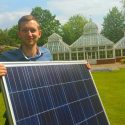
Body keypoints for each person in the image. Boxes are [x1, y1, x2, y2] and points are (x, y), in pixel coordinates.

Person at [0, 15, 52, 125]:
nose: (29, 34)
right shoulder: (4, 59)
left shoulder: (47, 55)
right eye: (24, 30)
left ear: (39, 33)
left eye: (33, 30)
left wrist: (82, 71)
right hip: (15, 118)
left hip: (45, 114)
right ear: (19, 34)